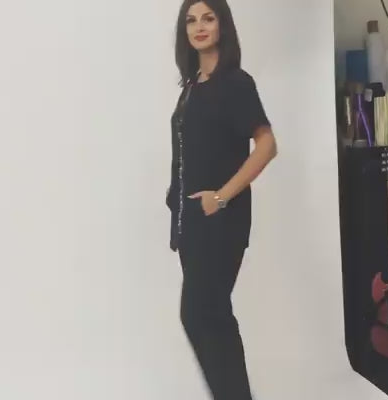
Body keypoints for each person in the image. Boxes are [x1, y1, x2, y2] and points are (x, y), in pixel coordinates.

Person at [166, 0, 277, 398]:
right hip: (192, 221)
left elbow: (267, 145)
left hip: (220, 220)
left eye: (208, 18)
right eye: (191, 20)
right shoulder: (192, 86)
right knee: (206, 317)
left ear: (222, 25)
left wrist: (222, 196)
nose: (199, 26)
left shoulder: (235, 83)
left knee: (202, 314)